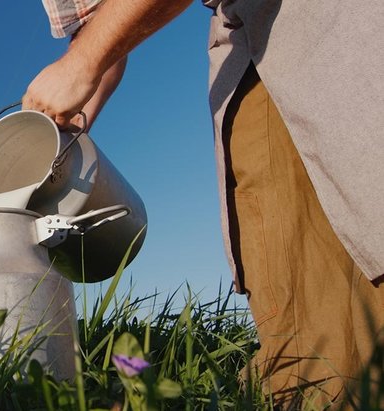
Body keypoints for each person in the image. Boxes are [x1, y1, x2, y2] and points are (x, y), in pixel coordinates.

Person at [24, 0, 384, 407]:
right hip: (243, 35)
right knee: (298, 294)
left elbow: (91, 53)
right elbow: (96, 31)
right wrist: (66, 122)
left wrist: (82, 63)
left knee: (368, 184)